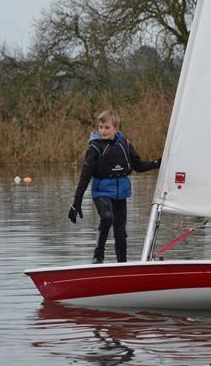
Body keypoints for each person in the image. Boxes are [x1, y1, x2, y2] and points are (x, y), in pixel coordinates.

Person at [68, 110, 161, 263]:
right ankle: (98, 256)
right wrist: (76, 202)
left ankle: (122, 263)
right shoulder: (95, 148)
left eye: (107, 127)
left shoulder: (125, 144)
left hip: (120, 193)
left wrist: (157, 163)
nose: (102, 131)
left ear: (116, 128)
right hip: (101, 191)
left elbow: (139, 166)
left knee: (121, 232)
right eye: (100, 127)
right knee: (106, 218)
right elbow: (85, 176)